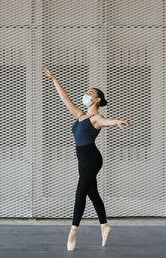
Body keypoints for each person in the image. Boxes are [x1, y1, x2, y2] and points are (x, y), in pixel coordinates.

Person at [42, 66, 131, 251]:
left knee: (80, 192)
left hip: (92, 159)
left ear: (97, 99)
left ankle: (73, 231)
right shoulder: (81, 115)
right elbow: (65, 99)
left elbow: (107, 121)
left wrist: (117, 122)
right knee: (92, 193)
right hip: (82, 159)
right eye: (86, 92)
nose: (86, 94)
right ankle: (105, 226)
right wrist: (54, 78)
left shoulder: (96, 118)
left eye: (90, 93)